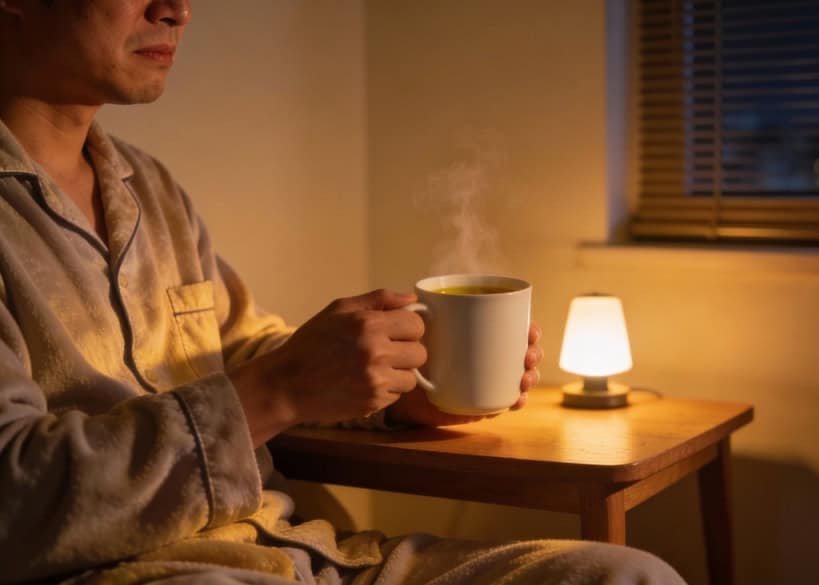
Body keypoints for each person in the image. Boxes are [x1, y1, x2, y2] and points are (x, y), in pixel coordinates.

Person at [0, 1, 687, 583]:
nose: (178, 8)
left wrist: (398, 393)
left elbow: (241, 350)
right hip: (141, 569)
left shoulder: (149, 188)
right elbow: (15, 496)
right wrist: (278, 389)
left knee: (627, 574)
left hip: (296, 554)